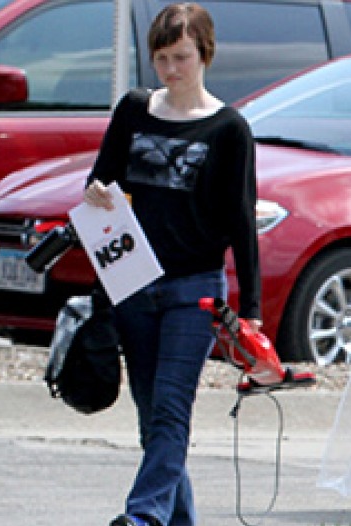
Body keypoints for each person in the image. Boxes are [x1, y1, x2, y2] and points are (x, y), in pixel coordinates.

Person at [81, 4, 259, 526]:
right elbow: (102, 183)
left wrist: (250, 310)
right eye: (161, 58)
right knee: (151, 423)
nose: (171, 70)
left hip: (195, 288)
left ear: (205, 53)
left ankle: (141, 518)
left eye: (181, 56)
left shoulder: (229, 129)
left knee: (169, 411)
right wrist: (94, 193)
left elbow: (241, 221)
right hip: (132, 282)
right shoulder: (133, 111)